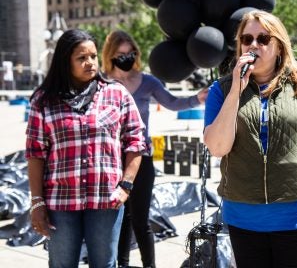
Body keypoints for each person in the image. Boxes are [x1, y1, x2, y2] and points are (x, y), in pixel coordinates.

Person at [203, 10, 297, 268]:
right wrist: (236, 88)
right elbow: (217, 147)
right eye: (247, 39)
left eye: (263, 39)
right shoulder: (221, 89)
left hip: (296, 215)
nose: (254, 45)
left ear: (279, 45)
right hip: (243, 216)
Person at [25, 29, 145, 268]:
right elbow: (35, 153)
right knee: (61, 264)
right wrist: (37, 203)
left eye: (92, 56)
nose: (90, 62)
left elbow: (136, 141)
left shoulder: (116, 94)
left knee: (104, 264)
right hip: (60, 203)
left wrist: (126, 186)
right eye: (81, 58)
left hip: (106, 201)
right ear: (64, 61)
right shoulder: (44, 100)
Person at [101, 30, 208, 268]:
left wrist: (197, 99)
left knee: (140, 219)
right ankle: (122, 264)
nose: (127, 58)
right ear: (110, 55)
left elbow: (172, 102)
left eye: (131, 53)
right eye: (121, 54)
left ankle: (150, 265)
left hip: (141, 158)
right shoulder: (102, 82)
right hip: (110, 160)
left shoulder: (147, 81)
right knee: (120, 219)